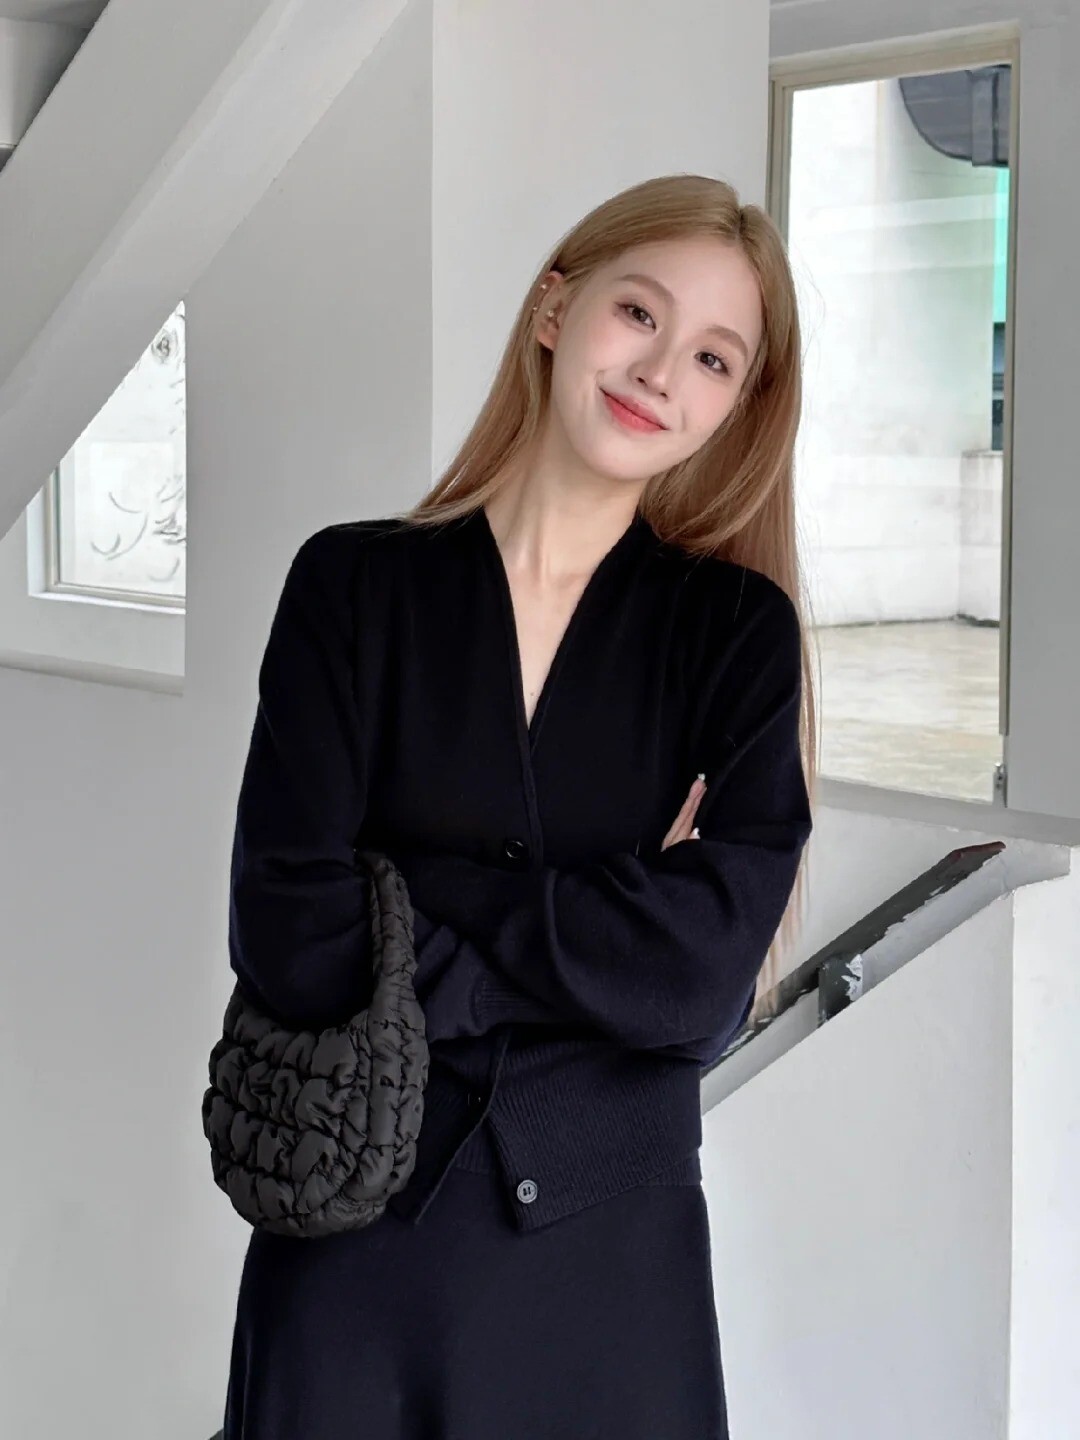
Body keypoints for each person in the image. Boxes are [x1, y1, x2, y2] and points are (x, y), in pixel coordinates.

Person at [221, 172, 818, 1439]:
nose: (662, 373)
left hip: (610, 1266)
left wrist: (411, 903)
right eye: (638, 314)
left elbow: (695, 982)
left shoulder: (737, 637)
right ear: (557, 308)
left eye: (713, 357)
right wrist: (602, 928)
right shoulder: (350, 587)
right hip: (355, 1240)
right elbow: (288, 930)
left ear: (735, 407)